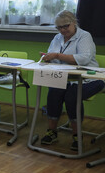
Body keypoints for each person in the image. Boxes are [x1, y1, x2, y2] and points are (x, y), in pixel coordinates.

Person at [39, 11, 105, 151]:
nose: (62, 30)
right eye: (59, 27)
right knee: (54, 92)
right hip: (66, 77)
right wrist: (48, 58)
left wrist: (57, 55)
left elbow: (84, 59)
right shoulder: (57, 37)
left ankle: (77, 135)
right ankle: (52, 132)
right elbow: (53, 56)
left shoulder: (84, 36)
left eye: (66, 26)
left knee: (72, 96)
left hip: (91, 78)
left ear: (74, 23)